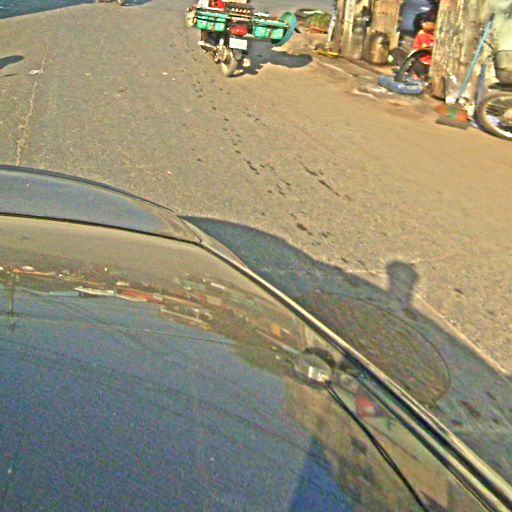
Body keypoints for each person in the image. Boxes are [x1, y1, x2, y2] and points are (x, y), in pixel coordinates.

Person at [411, 14, 436, 78]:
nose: (424, 24)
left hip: (432, 63)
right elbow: (418, 47)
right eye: (424, 23)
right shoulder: (422, 33)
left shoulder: (436, 34)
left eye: (427, 23)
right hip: (423, 61)